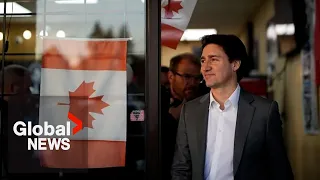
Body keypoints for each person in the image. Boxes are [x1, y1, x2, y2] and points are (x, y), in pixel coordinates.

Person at [171, 34, 294, 180]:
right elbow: (181, 168)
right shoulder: (190, 111)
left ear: (235, 64)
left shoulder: (264, 112)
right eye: (203, 60)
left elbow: (279, 170)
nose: (205, 67)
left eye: (214, 59)